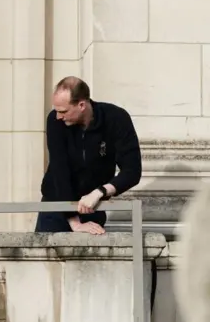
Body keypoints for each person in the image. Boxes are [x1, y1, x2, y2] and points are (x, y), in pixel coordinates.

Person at [36, 76, 142, 235]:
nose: (58, 116)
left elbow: (132, 171)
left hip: (92, 206)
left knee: (88, 259)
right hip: (56, 205)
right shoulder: (55, 121)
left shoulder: (116, 119)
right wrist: (74, 222)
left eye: (63, 111)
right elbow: (60, 170)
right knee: (46, 258)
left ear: (81, 105)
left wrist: (99, 192)